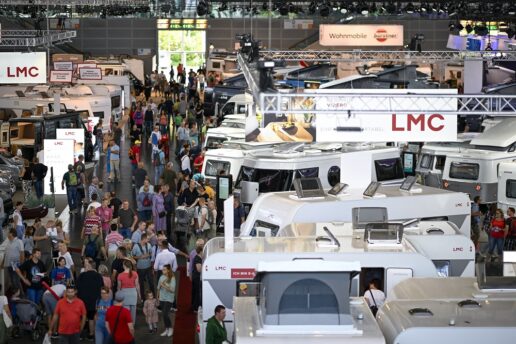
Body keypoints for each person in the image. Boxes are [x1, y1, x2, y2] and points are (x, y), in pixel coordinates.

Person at [77, 257, 104, 341]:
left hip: (82, 301)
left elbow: (77, 287)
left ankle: (79, 334)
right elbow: (102, 288)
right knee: (92, 318)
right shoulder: (99, 276)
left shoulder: (81, 275)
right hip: (94, 301)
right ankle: (91, 335)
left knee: (81, 318)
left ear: (88, 266)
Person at [132, 233, 155, 298]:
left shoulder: (149, 245)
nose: (149, 240)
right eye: (147, 239)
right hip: (140, 268)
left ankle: (154, 296)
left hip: (149, 267)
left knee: (151, 282)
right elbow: (133, 256)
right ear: (143, 239)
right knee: (141, 283)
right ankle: (142, 297)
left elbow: (151, 253)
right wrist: (140, 257)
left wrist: (149, 255)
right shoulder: (136, 246)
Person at [157, 264, 175, 337]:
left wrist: (164, 285)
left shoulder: (172, 278)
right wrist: (157, 297)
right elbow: (158, 288)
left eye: (164, 269)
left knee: (165, 314)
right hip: (162, 298)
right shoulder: (161, 277)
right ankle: (167, 329)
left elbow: (172, 290)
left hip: (169, 299)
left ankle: (170, 328)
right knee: (164, 315)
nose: (162, 270)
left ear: (168, 270)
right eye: (162, 269)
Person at [191, 245, 202, 312]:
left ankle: (194, 306)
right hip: (197, 278)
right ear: (200, 251)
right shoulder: (197, 258)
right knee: (197, 292)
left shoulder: (199, 257)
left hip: (197, 277)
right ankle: (195, 307)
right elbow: (199, 269)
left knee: (196, 292)